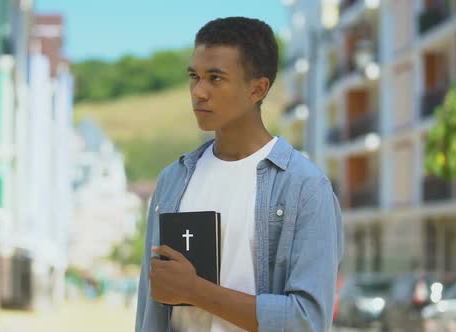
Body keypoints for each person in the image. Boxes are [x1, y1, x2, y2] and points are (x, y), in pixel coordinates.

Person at [135, 16, 343, 332]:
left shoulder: (304, 188)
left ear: (257, 89)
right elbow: (149, 307)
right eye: (194, 76)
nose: (198, 92)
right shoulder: (172, 180)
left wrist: (194, 291)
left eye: (215, 78)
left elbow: (307, 321)